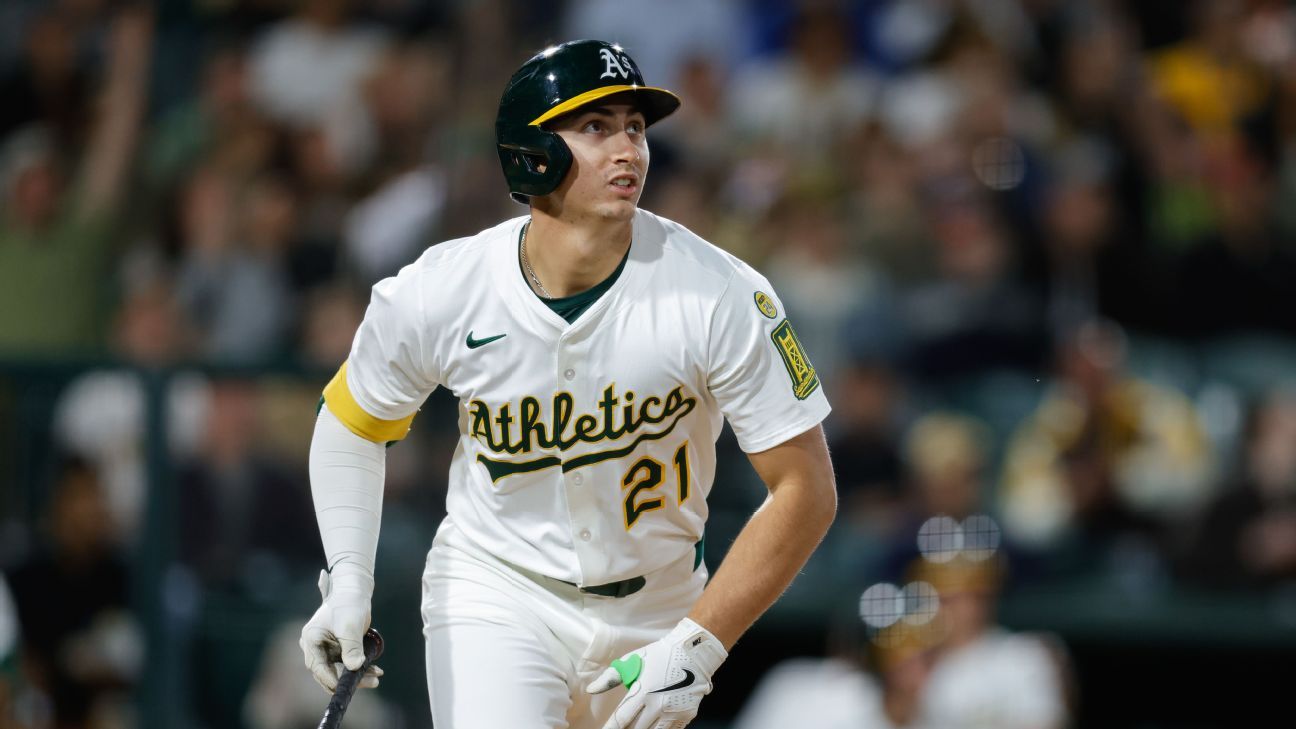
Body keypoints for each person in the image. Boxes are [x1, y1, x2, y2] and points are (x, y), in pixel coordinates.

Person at [297, 39, 838, 729]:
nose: (628, 148)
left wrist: (699, 644)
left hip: (661, 608)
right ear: (531, 153)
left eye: (635, 127)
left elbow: (806, 488)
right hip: (498, 591)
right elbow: (352, 423)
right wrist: (348, 578)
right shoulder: (443, 289)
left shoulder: (720, 292)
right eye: (595, 127)